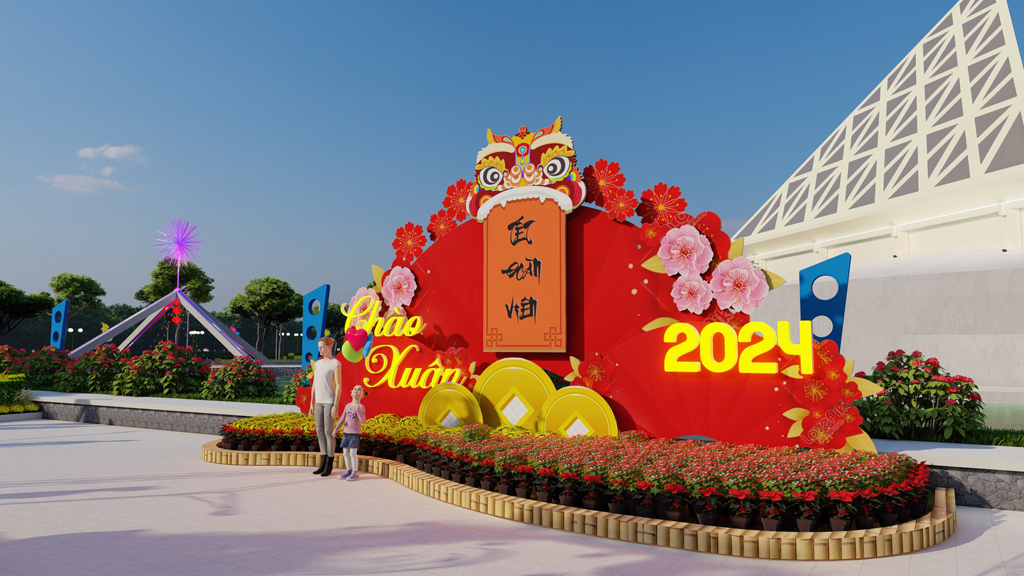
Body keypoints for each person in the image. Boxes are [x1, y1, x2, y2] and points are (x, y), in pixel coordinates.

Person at [309, 337, 342, 477]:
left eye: (322, 347)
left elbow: (338, 385)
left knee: (328, 432)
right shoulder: (317, 364)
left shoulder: (335, 363)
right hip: (318, 401)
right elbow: (314, 384)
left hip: (329, 401)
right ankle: (322, 462)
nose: (320, 350)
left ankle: (329, 463)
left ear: (330, 347)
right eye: (319, 347)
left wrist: (335, 405)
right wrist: (311, 402)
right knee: (319, 431)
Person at [333, 384, 367, 481]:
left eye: (359, 389)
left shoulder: (361, 407)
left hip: (355, 433)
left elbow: (363, 421)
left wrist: (358, 410)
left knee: (352, 452)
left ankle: (355, 472)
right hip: (346, 432)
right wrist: (335, 430)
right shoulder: (347, 406)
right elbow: (342, 419)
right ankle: (348, 470)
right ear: (351, 393)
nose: (356, 390)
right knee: (345, 452)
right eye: (355, 389)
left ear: (362, 395)